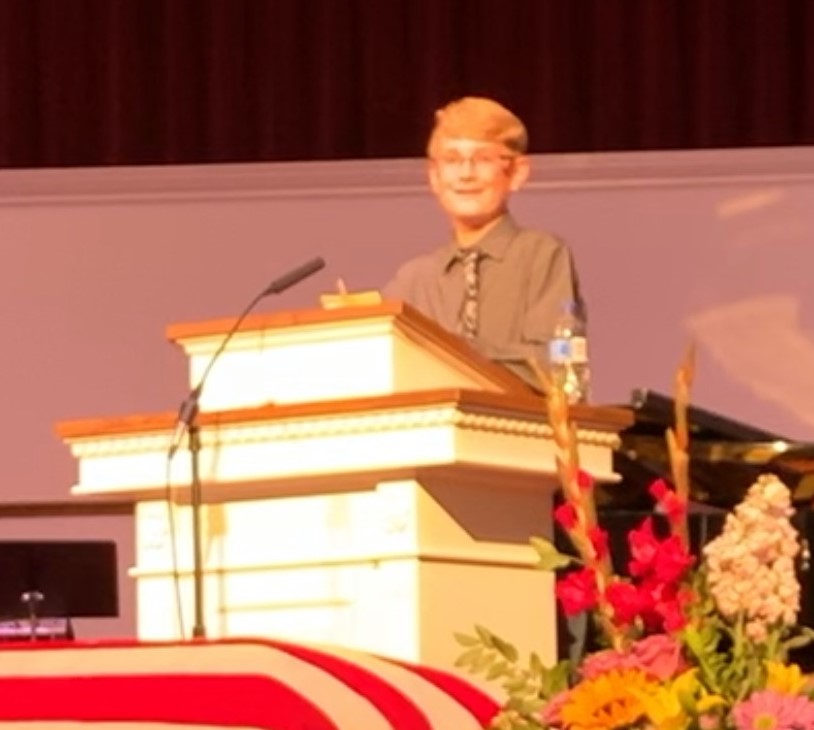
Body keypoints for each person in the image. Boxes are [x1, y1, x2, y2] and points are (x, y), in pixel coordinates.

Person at [383, 96, 584, 386]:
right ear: (435, 177)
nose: (466, 174)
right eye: (452, 160)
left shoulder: (542, 255)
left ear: (517, 172)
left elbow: (556, 365)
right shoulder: (413, 280)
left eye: (483, 159)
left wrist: (450, 350)